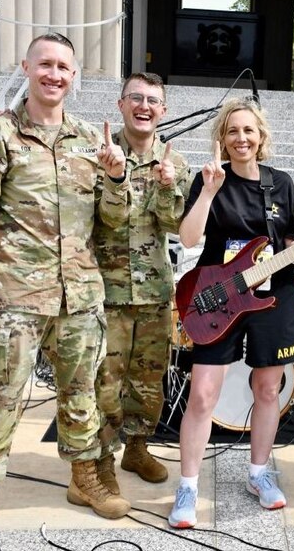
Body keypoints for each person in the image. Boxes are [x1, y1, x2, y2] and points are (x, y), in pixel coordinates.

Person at [0, 32, 133, 551]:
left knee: (80, 397)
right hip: (13, 297)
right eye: (45, 64)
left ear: (75, 76)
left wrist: (117, 178)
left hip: (79, 298)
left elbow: (113, 223)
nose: (54, 74)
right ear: (25, 67)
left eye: (64, 67)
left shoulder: (89, 142)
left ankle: (83, 477)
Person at [167, 97, 294, 529]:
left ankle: (258, 474)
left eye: (249, 131)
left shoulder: (281, 184)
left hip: (273, 297)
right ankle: (188, 486)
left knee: (269, 390)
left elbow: (287, 240)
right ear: (222, 138)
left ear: (261, 137)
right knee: (202, 395)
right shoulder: (209, 180)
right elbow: (190, 237)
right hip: (217, 295)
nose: (241, 138)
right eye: (232, 131)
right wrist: (211, 191)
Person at [93, 73, 192, 492]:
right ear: (121, 104)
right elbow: (104, 217)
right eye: (136, 97)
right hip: (105, 290)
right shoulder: (97, 153)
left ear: (163, 111)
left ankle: (137, 447)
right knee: (104, 378)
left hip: (153, 291)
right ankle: (98, 460)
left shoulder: (175, 161)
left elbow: (176, 226)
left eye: (153, 100)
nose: (144, 106)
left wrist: (168, 186)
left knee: (149, 377)